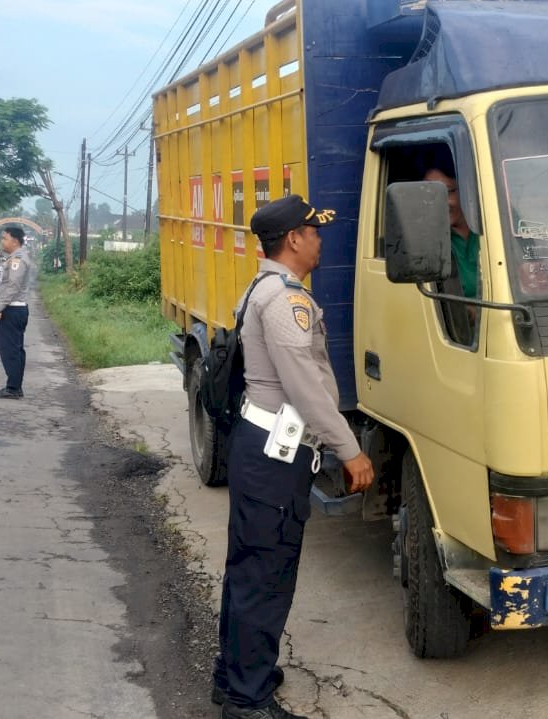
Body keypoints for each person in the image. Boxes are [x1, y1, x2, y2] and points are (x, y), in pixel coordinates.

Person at [212, 195, 375, 719]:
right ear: (293, 240)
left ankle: (235, 675)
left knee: (249, 567)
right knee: (265, 574)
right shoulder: (286, 300)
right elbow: (305, 386)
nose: (320, 239)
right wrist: (349, 449)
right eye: (314, 231)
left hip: (258, 446)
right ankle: (247, 700)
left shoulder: (264, 286)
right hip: (273, 452)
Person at [423, 166, 480, 344]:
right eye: (430, 194)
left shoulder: (498, 223)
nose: (441, 202)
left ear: (469, 190)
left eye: (448, 192)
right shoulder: (424, 238)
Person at [0, 227, 34, 399]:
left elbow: (13, 286)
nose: (2, 241)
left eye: (5, 238)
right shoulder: (15, 258)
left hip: (12, 309)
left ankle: (13, 388)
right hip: (16, 308)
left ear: (15, 241)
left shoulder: (18, 258)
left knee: (10, 351)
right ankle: (15, 386)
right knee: (16, 349)